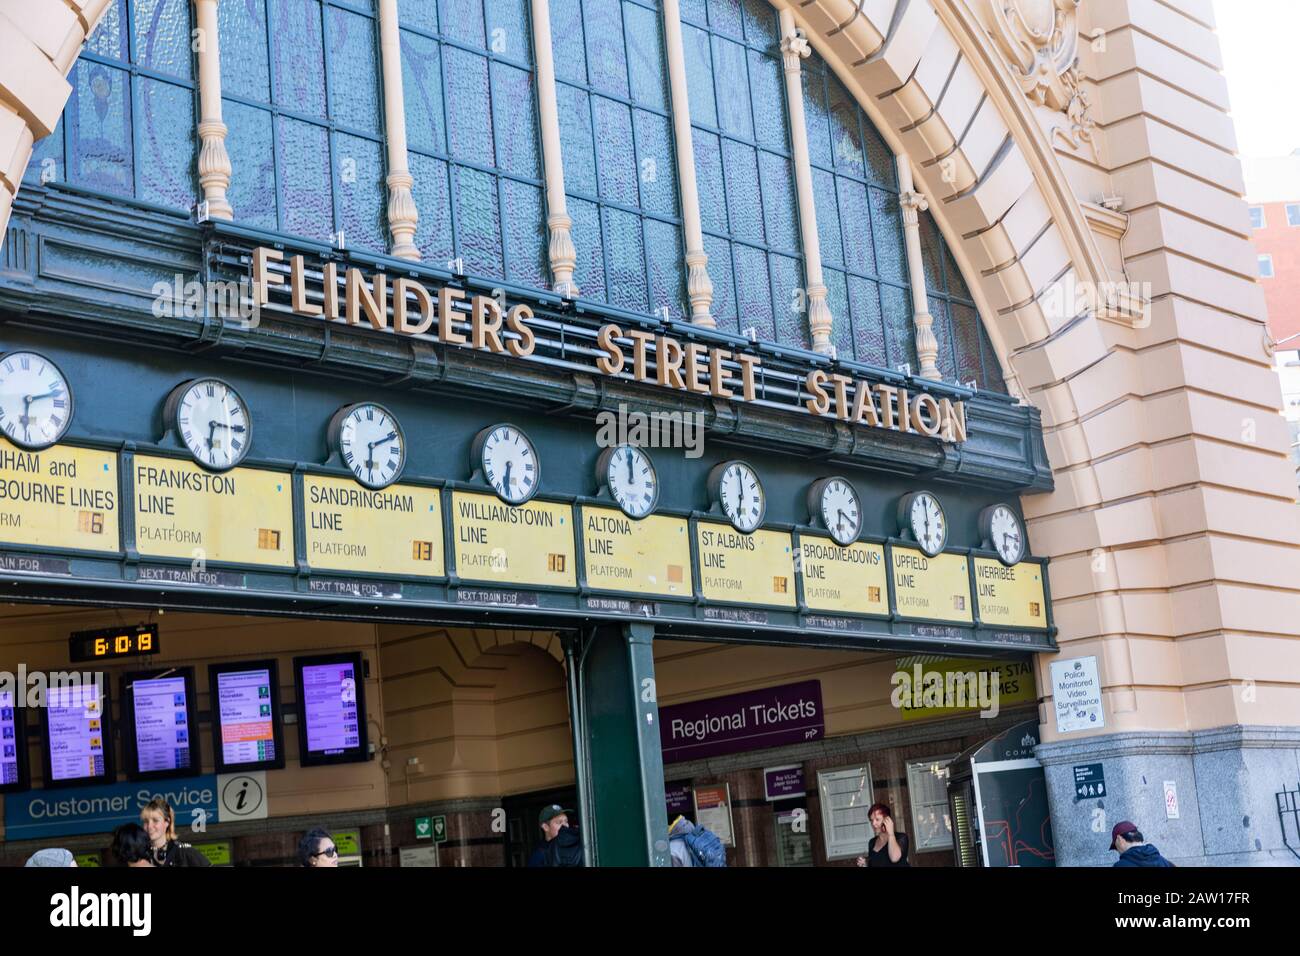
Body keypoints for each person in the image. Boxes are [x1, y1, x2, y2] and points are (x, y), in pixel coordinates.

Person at [140, 797, 210, 867]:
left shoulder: (185, 852)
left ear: (167, 822)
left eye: (155, 820)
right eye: (146, 821)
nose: (149, 826)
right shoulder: (140, 856)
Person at [855, 802, 910, 867]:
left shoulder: (901, 838)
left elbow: (894, 858)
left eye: (877, 819)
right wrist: (865, 865)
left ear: (887, 820)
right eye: (871, 820)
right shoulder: (872, 842)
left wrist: (891, 833)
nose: (873, 824)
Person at [1109, 821, 1175, 867]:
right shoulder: (1165, 862)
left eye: (1115, 847)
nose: (1118, 851)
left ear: (1119, 839)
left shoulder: (1120, 865)